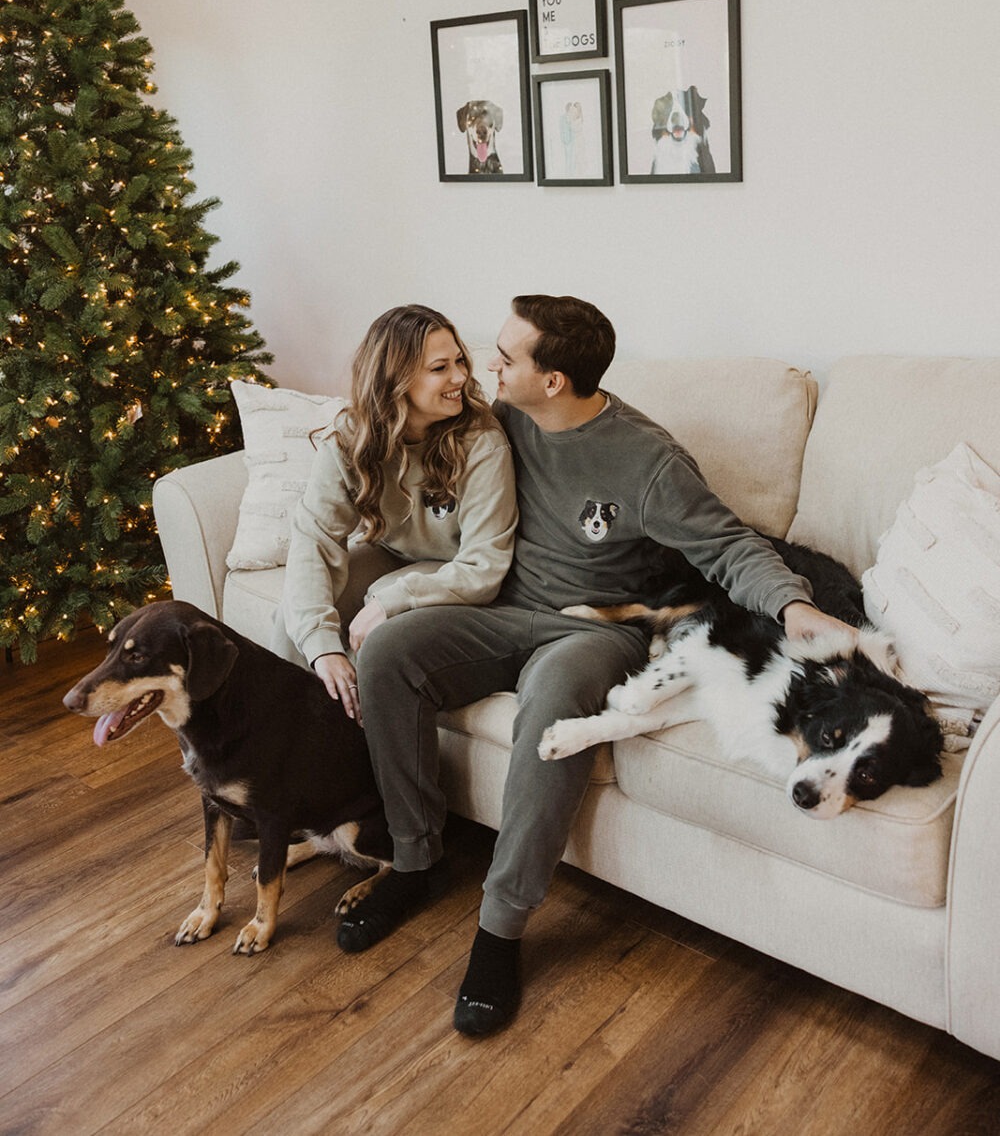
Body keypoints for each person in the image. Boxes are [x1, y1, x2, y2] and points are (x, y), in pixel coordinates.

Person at [342, 295, 859, 1036]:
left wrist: (791, 606)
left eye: (507, 356)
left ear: (552, 380)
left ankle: (499, 930)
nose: (489, 366)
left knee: (553, 703)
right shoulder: (497, 420)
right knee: (389, 652)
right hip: (498, 605)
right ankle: (416, 860)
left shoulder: (648, 459)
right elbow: (403, 432)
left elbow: (728, 545)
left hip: (597, 629)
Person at [273, 304, 517, 721]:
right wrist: (322, 647)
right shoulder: (350, 439)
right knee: (294, 622)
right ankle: (297, 743)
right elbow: (314, 539)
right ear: (396, 378)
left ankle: (361, 750)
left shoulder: (482, 442)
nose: (460, 377)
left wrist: (391, 601)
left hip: (461, 572)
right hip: (400, 553)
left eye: (459, 361)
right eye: (440, 367)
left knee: (378, 610)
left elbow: (484, 567)